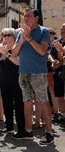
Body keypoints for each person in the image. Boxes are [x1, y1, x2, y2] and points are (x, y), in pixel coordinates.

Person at [11, 9, 54, 145]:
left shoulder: (43, 31)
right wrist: (22, 40)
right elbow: (13, 53)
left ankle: (49, 133)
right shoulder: (21, 34)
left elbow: (42, 51)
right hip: (23, 71)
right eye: (24, 16)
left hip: (38, 72)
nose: (25, 18)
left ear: (37, 18)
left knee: (42, 101)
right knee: (27, 101)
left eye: (28, 16)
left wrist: (29, 38)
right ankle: (27, 131)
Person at [0, 28, 25, 135]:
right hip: (4, 79)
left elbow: (18, 63)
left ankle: (21, 128)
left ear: (14, 36)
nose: (6, 37)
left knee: (19, 104)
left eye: (9, 35)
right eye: (4, 35)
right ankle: (9, 126)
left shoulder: (18, 48)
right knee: (6, 103)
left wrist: (7, 54)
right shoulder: (2, 48)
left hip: (17, 79)